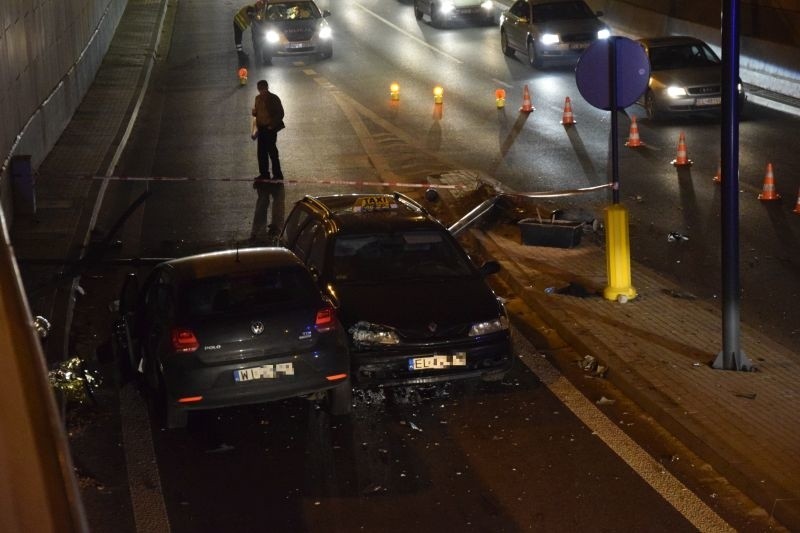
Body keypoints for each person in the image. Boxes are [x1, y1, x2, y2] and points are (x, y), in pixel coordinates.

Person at [250, 79, 286, 241]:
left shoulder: (273, 98)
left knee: (272, 152)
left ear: (266, 88)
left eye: (263, 89)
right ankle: (264, 173)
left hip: (270, 129)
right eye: (260, 89)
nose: (261, 91)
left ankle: (277, 174)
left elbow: (280, 113)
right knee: (261, 153)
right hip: (262, 129)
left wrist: (272, 125)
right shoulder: (258, 99)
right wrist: (256, 123)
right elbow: (256, 113)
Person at [233, 0, 265, 67]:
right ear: (258, 7)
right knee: (238, 39)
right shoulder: (251, 8)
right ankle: (240, 54)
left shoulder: (253, 9)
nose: (260, 10)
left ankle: (241, 53)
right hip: (238, 23)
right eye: (260, 8)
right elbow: (252, 16)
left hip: (239, 23)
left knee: (239, 39)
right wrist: (260, 21)